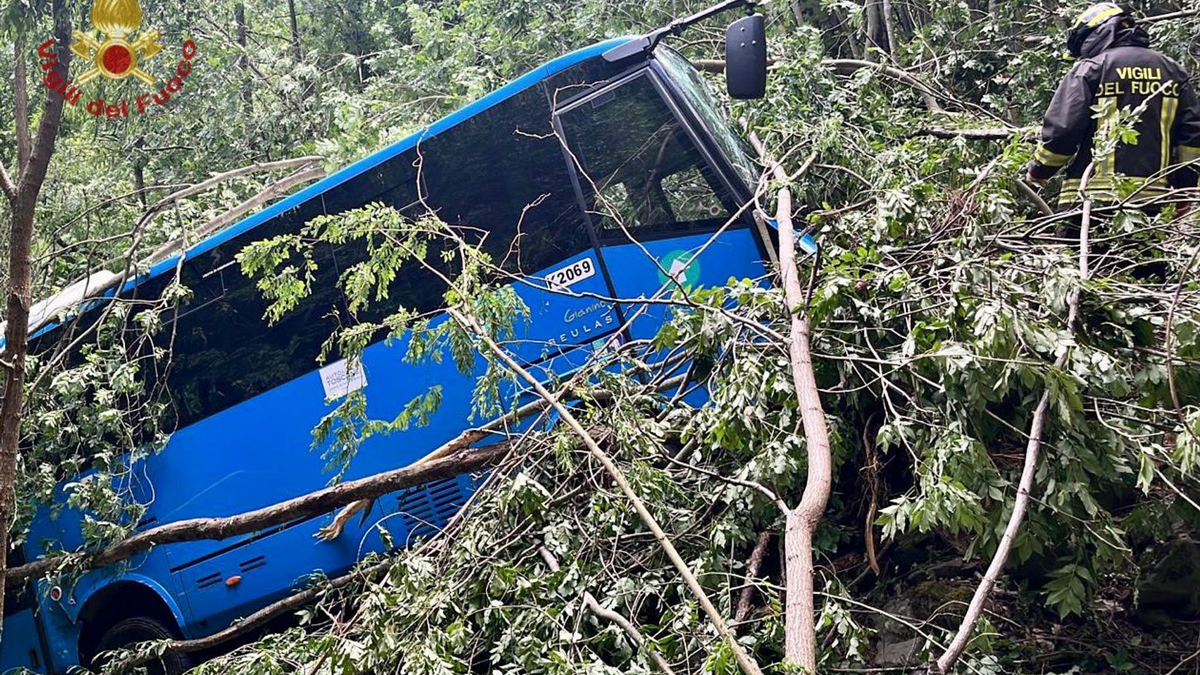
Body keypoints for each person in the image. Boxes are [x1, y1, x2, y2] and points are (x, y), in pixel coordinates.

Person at [1026, 3, 1200, 217]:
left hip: (1088, 201)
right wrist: (1184, 189)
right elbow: (1192, 138)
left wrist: (1040, 169)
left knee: (1076, 242)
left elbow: (1063, 130)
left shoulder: (1090, 70)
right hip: (1153, 201)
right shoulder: (1173, 71)